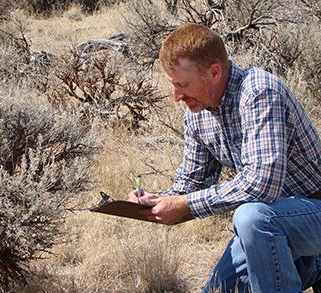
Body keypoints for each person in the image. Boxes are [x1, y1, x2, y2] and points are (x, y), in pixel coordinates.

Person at [128, 23, 321, 293]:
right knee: (218, 288)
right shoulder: (197, 112)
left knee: (252, 218)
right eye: (173, 85)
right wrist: (160, 200)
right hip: (272, 226)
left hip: (312, 210)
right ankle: (310, 267)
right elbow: (192, 183)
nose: (176, 96)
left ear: (214, 72)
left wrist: (184, 203)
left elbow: (262, 185)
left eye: (182, 84)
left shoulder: (259, 93)